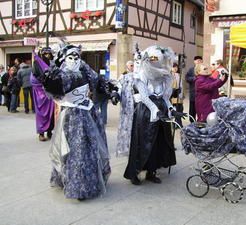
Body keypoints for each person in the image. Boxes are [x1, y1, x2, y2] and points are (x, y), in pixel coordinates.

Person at [33, 44, 111, 200]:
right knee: (76, 151)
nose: (74, 60)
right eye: (70, 57)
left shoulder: (85, 72)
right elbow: (54, 88)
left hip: (89, 113)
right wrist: (48, 76)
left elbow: (98, 81)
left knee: (92, 148)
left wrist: (110, 88)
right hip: (73, 117)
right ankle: (78, 186)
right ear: (64, 59)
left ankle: (91, 180)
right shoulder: (62, 75)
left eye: (77, 57)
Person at [117, 45, 185, 185]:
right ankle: (134, 173)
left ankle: (151, 171)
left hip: (161, 112)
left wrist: (172, 109)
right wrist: (155, 110)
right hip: (145, 112)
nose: (156, 62)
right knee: (142, 143)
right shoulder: (141, 75)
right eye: (153, 59)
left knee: (158, 143)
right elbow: (145, 97)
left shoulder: (165, 77)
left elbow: (165, 98)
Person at [31, 47, 55, 141]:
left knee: (51, 112)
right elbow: (36, 76)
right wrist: (45, 80)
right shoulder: (37, 63)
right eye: (45, 54)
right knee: (41, 113)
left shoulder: (52, 63)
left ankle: (49, 132)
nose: (47, 56)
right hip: (40, 92)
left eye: (49, 54)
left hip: (50, 92)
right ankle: (41, 133)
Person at [185, 56, 203, 122]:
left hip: (201, 94)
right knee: (192, 110)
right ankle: (192, 122)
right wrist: (194, 79)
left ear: (202, 61)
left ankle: (200, 122)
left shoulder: (204, 69)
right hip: (193, 93)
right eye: (197, 60)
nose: (198, 62)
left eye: (200, 60)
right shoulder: (191, 69)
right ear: (194, 61)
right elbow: (187, 78)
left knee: (200, 109)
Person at [171, 63, 184, 128]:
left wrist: (181, 94)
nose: (175, 68)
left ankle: (179, 123)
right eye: (174, 67)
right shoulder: (169, 75)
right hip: (172, 95)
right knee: (174, 109)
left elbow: (181, 86)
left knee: (180, 109)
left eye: (176, 67)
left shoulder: (179, 75)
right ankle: (174, 123)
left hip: (179, 94)